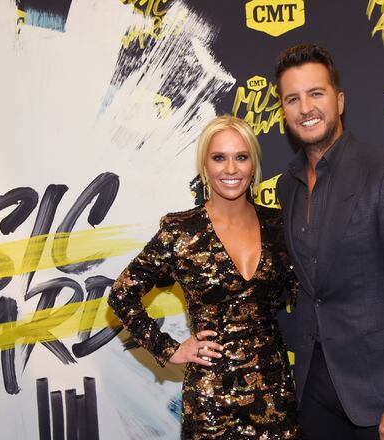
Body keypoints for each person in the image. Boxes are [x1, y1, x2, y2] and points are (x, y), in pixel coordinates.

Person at [274, 44, 384, 440]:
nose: (305, 108)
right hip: (313, 390)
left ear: (340, 100)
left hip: (378, 392)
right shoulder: (287, 186)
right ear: (283, 111)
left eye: (316, 93)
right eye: (292, 99)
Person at [108, 115, 300, 439]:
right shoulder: (181, 231)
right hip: (212, 402)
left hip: (274, 393)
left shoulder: (280, 226)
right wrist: (169, 348)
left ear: (253, 165)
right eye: (219, 158)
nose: (230, 169)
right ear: (204, 166)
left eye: (241, 157)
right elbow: (121, 295)